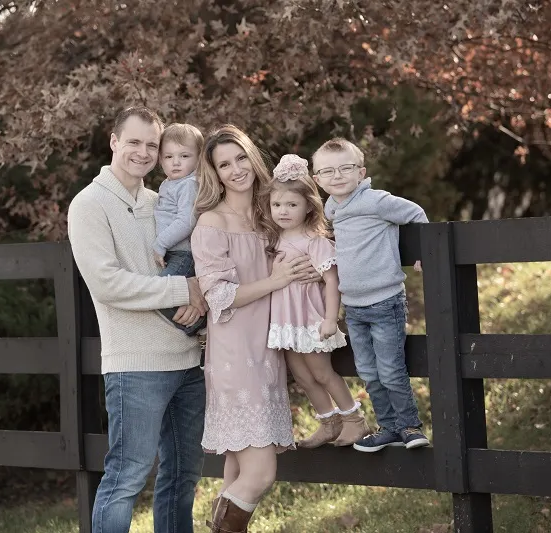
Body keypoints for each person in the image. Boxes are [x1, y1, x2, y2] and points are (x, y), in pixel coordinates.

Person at [67, 106, 208, 533]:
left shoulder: (163, 199)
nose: (143, 152)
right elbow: (107, 283)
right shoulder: (88, 204)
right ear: (113, 141)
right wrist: (186, 290)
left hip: (188, 359)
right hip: (135, 364)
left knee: (184, 477)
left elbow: (197, 259)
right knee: (126, 477)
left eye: (152, 145)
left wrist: (201, 301)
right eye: (134, 142)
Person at [190, 125, 316, 532]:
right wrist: (276, 281)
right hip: (234, 354)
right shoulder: (212, 222)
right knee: (260, 473)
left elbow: (308, 242)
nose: (236, 169)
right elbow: (218, 295)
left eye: (241, 158)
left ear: (252, 157)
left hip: (270, 349)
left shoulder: (272, 213)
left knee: (236, 468)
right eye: (224, 164)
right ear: (215, 173)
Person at [312, 137, 431, 453]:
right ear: (318, 179)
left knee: (391, 369)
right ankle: (388, 427)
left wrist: (425, 251)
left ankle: (409, 426)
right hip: (353, 306)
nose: (337, 176)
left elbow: (415, 212)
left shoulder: (376, 201)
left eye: (345, 168)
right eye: (328, 171)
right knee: (367, 371)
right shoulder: (333, 209)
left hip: (385, 300)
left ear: (361, 171)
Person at [263, 154, 372, 449]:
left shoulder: (315, 241)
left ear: (308, 206)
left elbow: (333, 280)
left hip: (311, 319)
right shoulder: (273, 240)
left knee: (322, 372)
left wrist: (329, 319)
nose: (283, 211)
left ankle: (355, 419)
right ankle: (328, 421)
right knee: (302, 376)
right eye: (277, 204)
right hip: (286, 322)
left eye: (291, 204)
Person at [153, 123, 208, 336]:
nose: (175, 162)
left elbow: (187, 221)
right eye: (168, 157)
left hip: (184, 254)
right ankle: (199, 322)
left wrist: (160, 244)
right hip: (177, 254)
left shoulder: (189, 184)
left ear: (198, 158)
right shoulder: (170, 184)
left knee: (158, 291)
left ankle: (202, 324)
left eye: (184, 156)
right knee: (164, 295)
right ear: (160, 159)